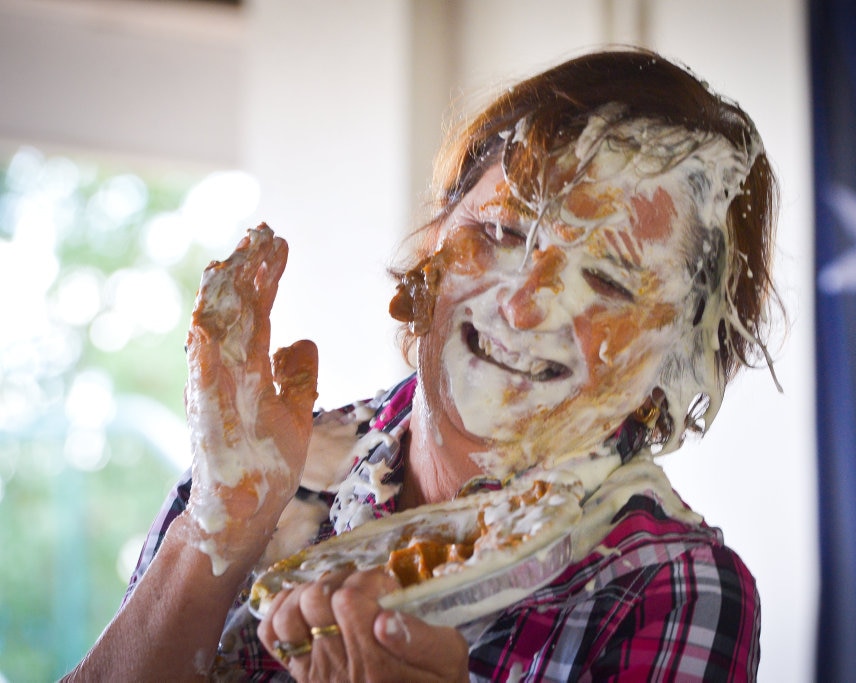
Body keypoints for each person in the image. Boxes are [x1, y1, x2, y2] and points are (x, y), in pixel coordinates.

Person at [65, 47, 779, 682]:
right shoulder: (256, 472)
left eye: (611, 281)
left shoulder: (671, 587)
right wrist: (212, 537)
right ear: (434, 243)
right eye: (500, 232)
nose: (525, 304)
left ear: (681, 355)